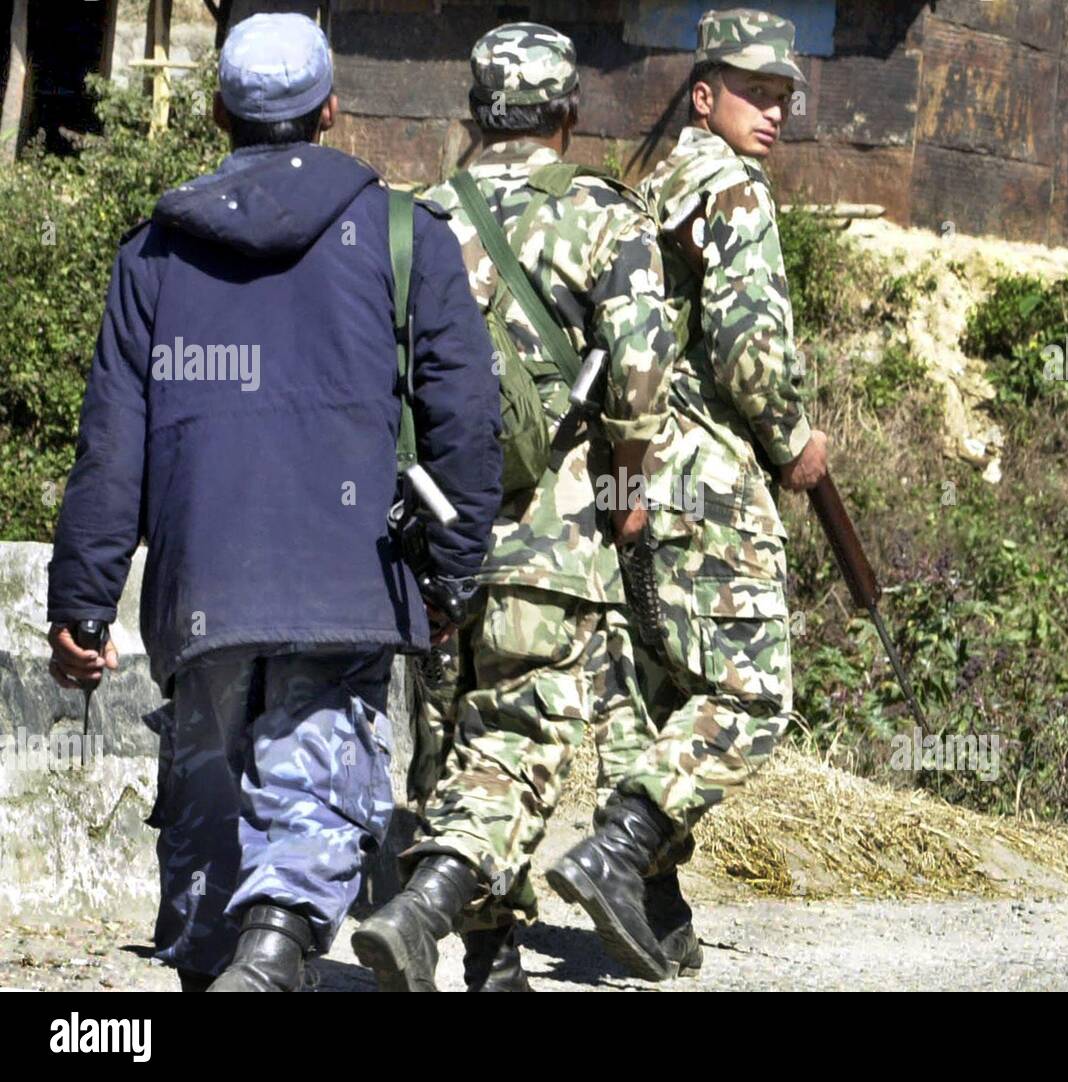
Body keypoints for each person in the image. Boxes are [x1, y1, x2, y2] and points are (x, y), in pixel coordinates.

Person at [44, 12, 501, 993]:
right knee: (317, 783)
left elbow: (111, 447)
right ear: (331, 110)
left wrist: (82, 603)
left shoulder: (154, 254)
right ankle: (274, 948)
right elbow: (465, 421)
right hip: (349, 572)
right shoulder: (404, 236)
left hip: (204, 580)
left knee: (207, 815)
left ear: (218, 113)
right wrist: (454, 573)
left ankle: (240, 962)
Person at [349, 22, 677, 992]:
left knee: (449, 743)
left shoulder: (411, 219)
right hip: (551, 538)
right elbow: (640, 381)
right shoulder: (604, 216)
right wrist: (627, 499)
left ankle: (492, 962)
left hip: (429, 531)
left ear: (473, 112)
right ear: (568, 113)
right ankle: (421, 910)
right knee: (522, 742)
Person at [547, 7, 831, 981]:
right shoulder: (733, 188)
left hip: (627, 472)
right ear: (702, 96)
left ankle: (656, 910)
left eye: (783, 95)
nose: (774, 111)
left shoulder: (649, 188)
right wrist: (793, 440)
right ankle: (622, 847)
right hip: (704, 474)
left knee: (655, 688)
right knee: (752, 693)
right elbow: (751, 348)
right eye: (755, 91)